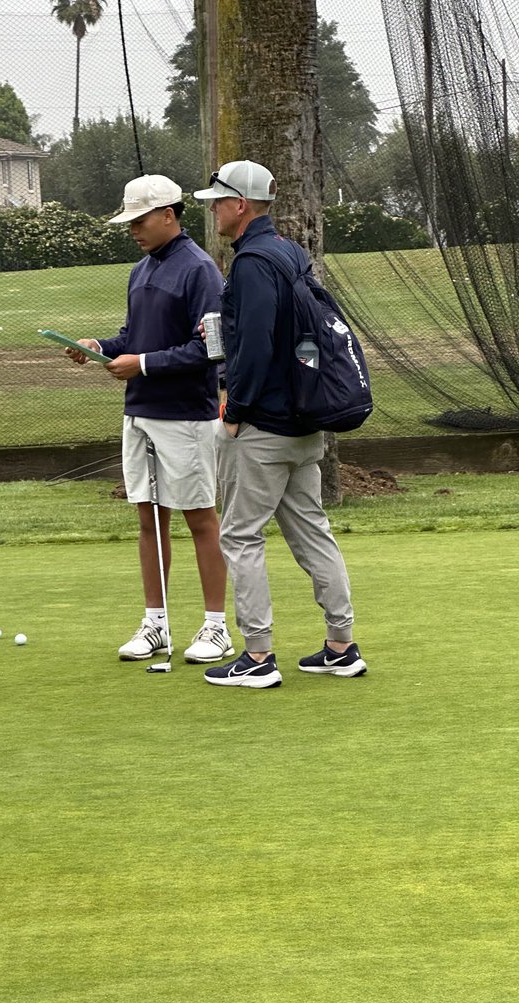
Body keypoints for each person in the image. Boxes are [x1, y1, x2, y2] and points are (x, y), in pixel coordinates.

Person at [192, 161, 366, 689]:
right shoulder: (290, 251)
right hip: (305, 422)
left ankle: (259, 657)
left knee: (241, 536)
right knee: (311, 530)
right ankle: (341, 646)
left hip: (265, 425)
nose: (214, 210)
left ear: (240, 205)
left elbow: (260, 346)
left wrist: (235, 410)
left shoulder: (251, 263)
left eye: (218, 201)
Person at [68, 174, 234, 665]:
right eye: (129, 222)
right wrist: (102, 348)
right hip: (140, 412)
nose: (133, 230)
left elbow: (211, 349)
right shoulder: (141, 270)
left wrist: (140, 364)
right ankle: (156, 624)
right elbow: (133, 335)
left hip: (186, 415)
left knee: (200, 517)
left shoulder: (200, 270)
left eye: (139, 221)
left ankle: (216, 628)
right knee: (149, 516)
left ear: (169, 215)